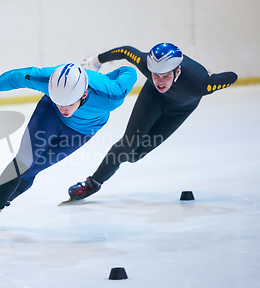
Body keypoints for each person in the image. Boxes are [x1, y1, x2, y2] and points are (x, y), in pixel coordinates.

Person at [0, 63, 137, 240]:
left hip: (81, 131)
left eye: (68, 103)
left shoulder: (111, 94)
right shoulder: (47, 79)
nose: (63, 109)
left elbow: (128, 71)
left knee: (32, 170)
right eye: (59, 101)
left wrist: (104, 75)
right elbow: (15, 77)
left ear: (84, 94)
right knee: (23, 162)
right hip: (49, 114)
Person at [67, 43, 238, 200]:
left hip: (179, 110)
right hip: (153, 98)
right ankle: (92, 184)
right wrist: (97, 60)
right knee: (128, 144)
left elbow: (232, 76)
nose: (160, 81)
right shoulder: (147, 65)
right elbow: (126, 51)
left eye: (165, 76)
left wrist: (212, 78)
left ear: (177, 71)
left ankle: (119, 159)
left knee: (134, 156)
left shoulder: (200, 83)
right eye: (156, 75)